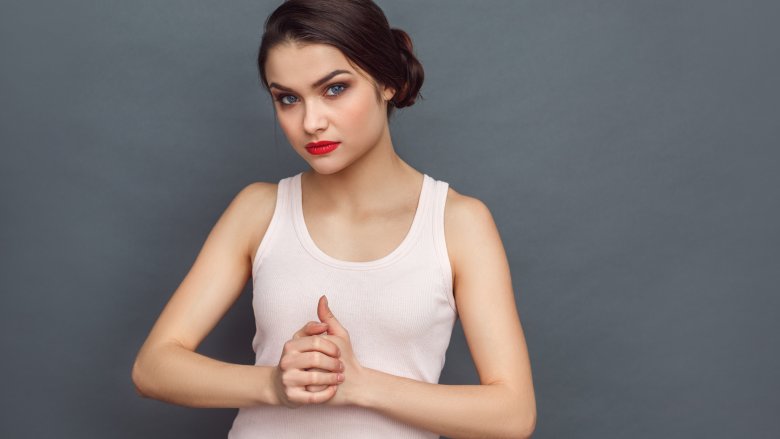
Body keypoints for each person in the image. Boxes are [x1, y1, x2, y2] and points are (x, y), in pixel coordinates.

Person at [131, 0, 536, 437]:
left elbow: (512, 414)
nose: (311, 122)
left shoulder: (458, 223)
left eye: (334, 89)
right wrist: (272, 383)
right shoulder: (258, 210)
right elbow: (153, 367)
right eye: (287, 98)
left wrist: (360, 385)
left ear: (388, 81)